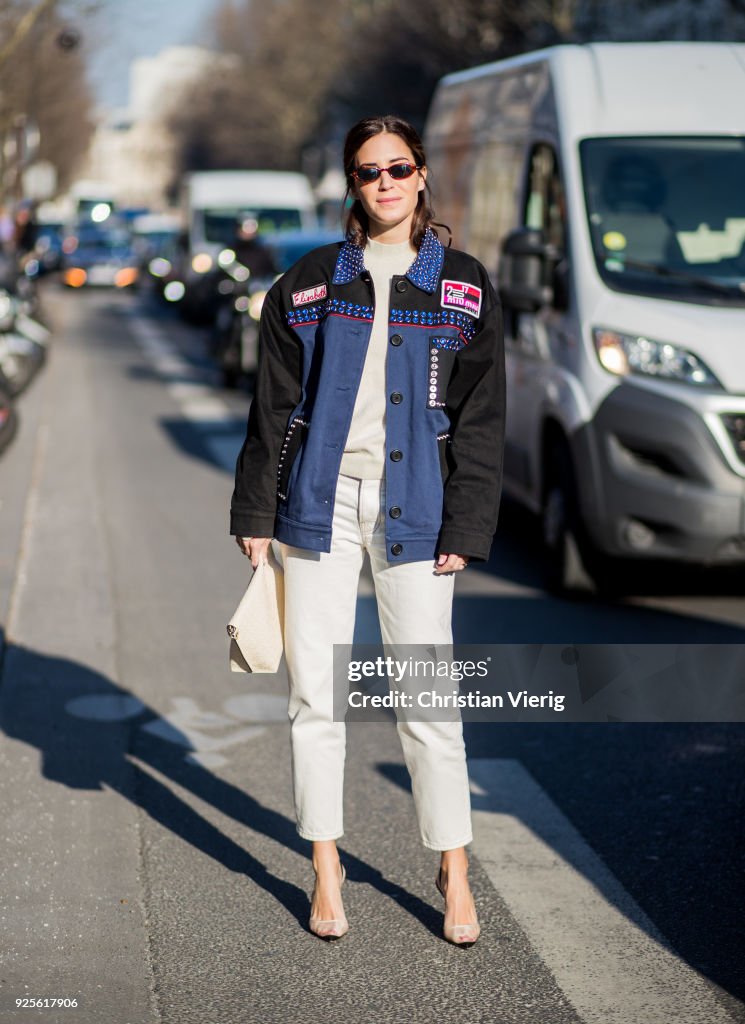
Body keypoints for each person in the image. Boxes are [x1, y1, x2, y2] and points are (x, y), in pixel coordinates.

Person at [230, 115, 505, 945]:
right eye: (366, 172)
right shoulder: (309, 283)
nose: (382, 184)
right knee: (316, 696)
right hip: (319, 503)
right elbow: (271, 404)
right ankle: (326, 866)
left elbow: (483, 418)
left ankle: (453, 871)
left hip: (417, 509)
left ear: (421, 177)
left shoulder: (464, 286)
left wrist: (468, 520)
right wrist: (254, 514)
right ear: (351, 186)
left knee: (426, 697)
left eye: (396, 169)